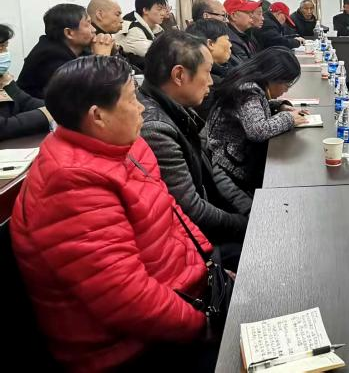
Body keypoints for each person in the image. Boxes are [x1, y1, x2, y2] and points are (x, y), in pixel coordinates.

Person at [11, 55, 216, 372]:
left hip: (185, 294)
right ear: (98, 116)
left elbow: (169, 211)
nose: (142, 108)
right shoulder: (70, 184)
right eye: (132, 99)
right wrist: (203, 325)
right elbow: (126, 299)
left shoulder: (123, 143)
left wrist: (209, 261)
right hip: (128, 347)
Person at [138, 31, 249, 252]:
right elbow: (192, 211)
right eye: (207, 72)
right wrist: (248, 225)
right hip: (194, 244)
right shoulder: (155, 129)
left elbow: (209, 169)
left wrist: (246, 209)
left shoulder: (176, 107)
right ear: (179, 75)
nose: (211, 82)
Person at [207, 47, 308, 193]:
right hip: (229, 170)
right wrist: (289, 119)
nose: (286, 90)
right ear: (274, 77)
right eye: (286, 84)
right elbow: (257, 130)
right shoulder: (247, 90)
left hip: (237, 162)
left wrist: (279, 106)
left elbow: (253, 109)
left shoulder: (249, 83)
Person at [18, 4, 113, 98]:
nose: (94, 29)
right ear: (69, 33)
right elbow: (89, 94)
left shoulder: (80, 49)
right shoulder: (50, 57)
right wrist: (102, 58)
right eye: (88, 24)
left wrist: (113, 51)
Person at [0, 24, 52, 139]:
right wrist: (45, 114)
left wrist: (59, 108)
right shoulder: (51, 53)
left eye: (5, 46)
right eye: (1, 47)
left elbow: (25, 102)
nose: (4, 52)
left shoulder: (3, 78)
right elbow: (2, 127)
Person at [187, 19, 232, 118]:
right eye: (227, 40)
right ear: (210, 43)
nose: (230, 45)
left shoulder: (219, 72)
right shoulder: (209, 85)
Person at [115, 0, 167, 66]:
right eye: (159, 9)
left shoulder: (155, 27)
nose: (163, 13)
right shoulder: (133, 29)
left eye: (164, 9)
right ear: (145, 10)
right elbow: (158, 54)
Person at [224, 0, 260, 66]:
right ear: (233, 15)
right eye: (248, 12)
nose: (252, 16)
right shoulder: (231, 41)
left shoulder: (245, 34)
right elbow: (247, 68)